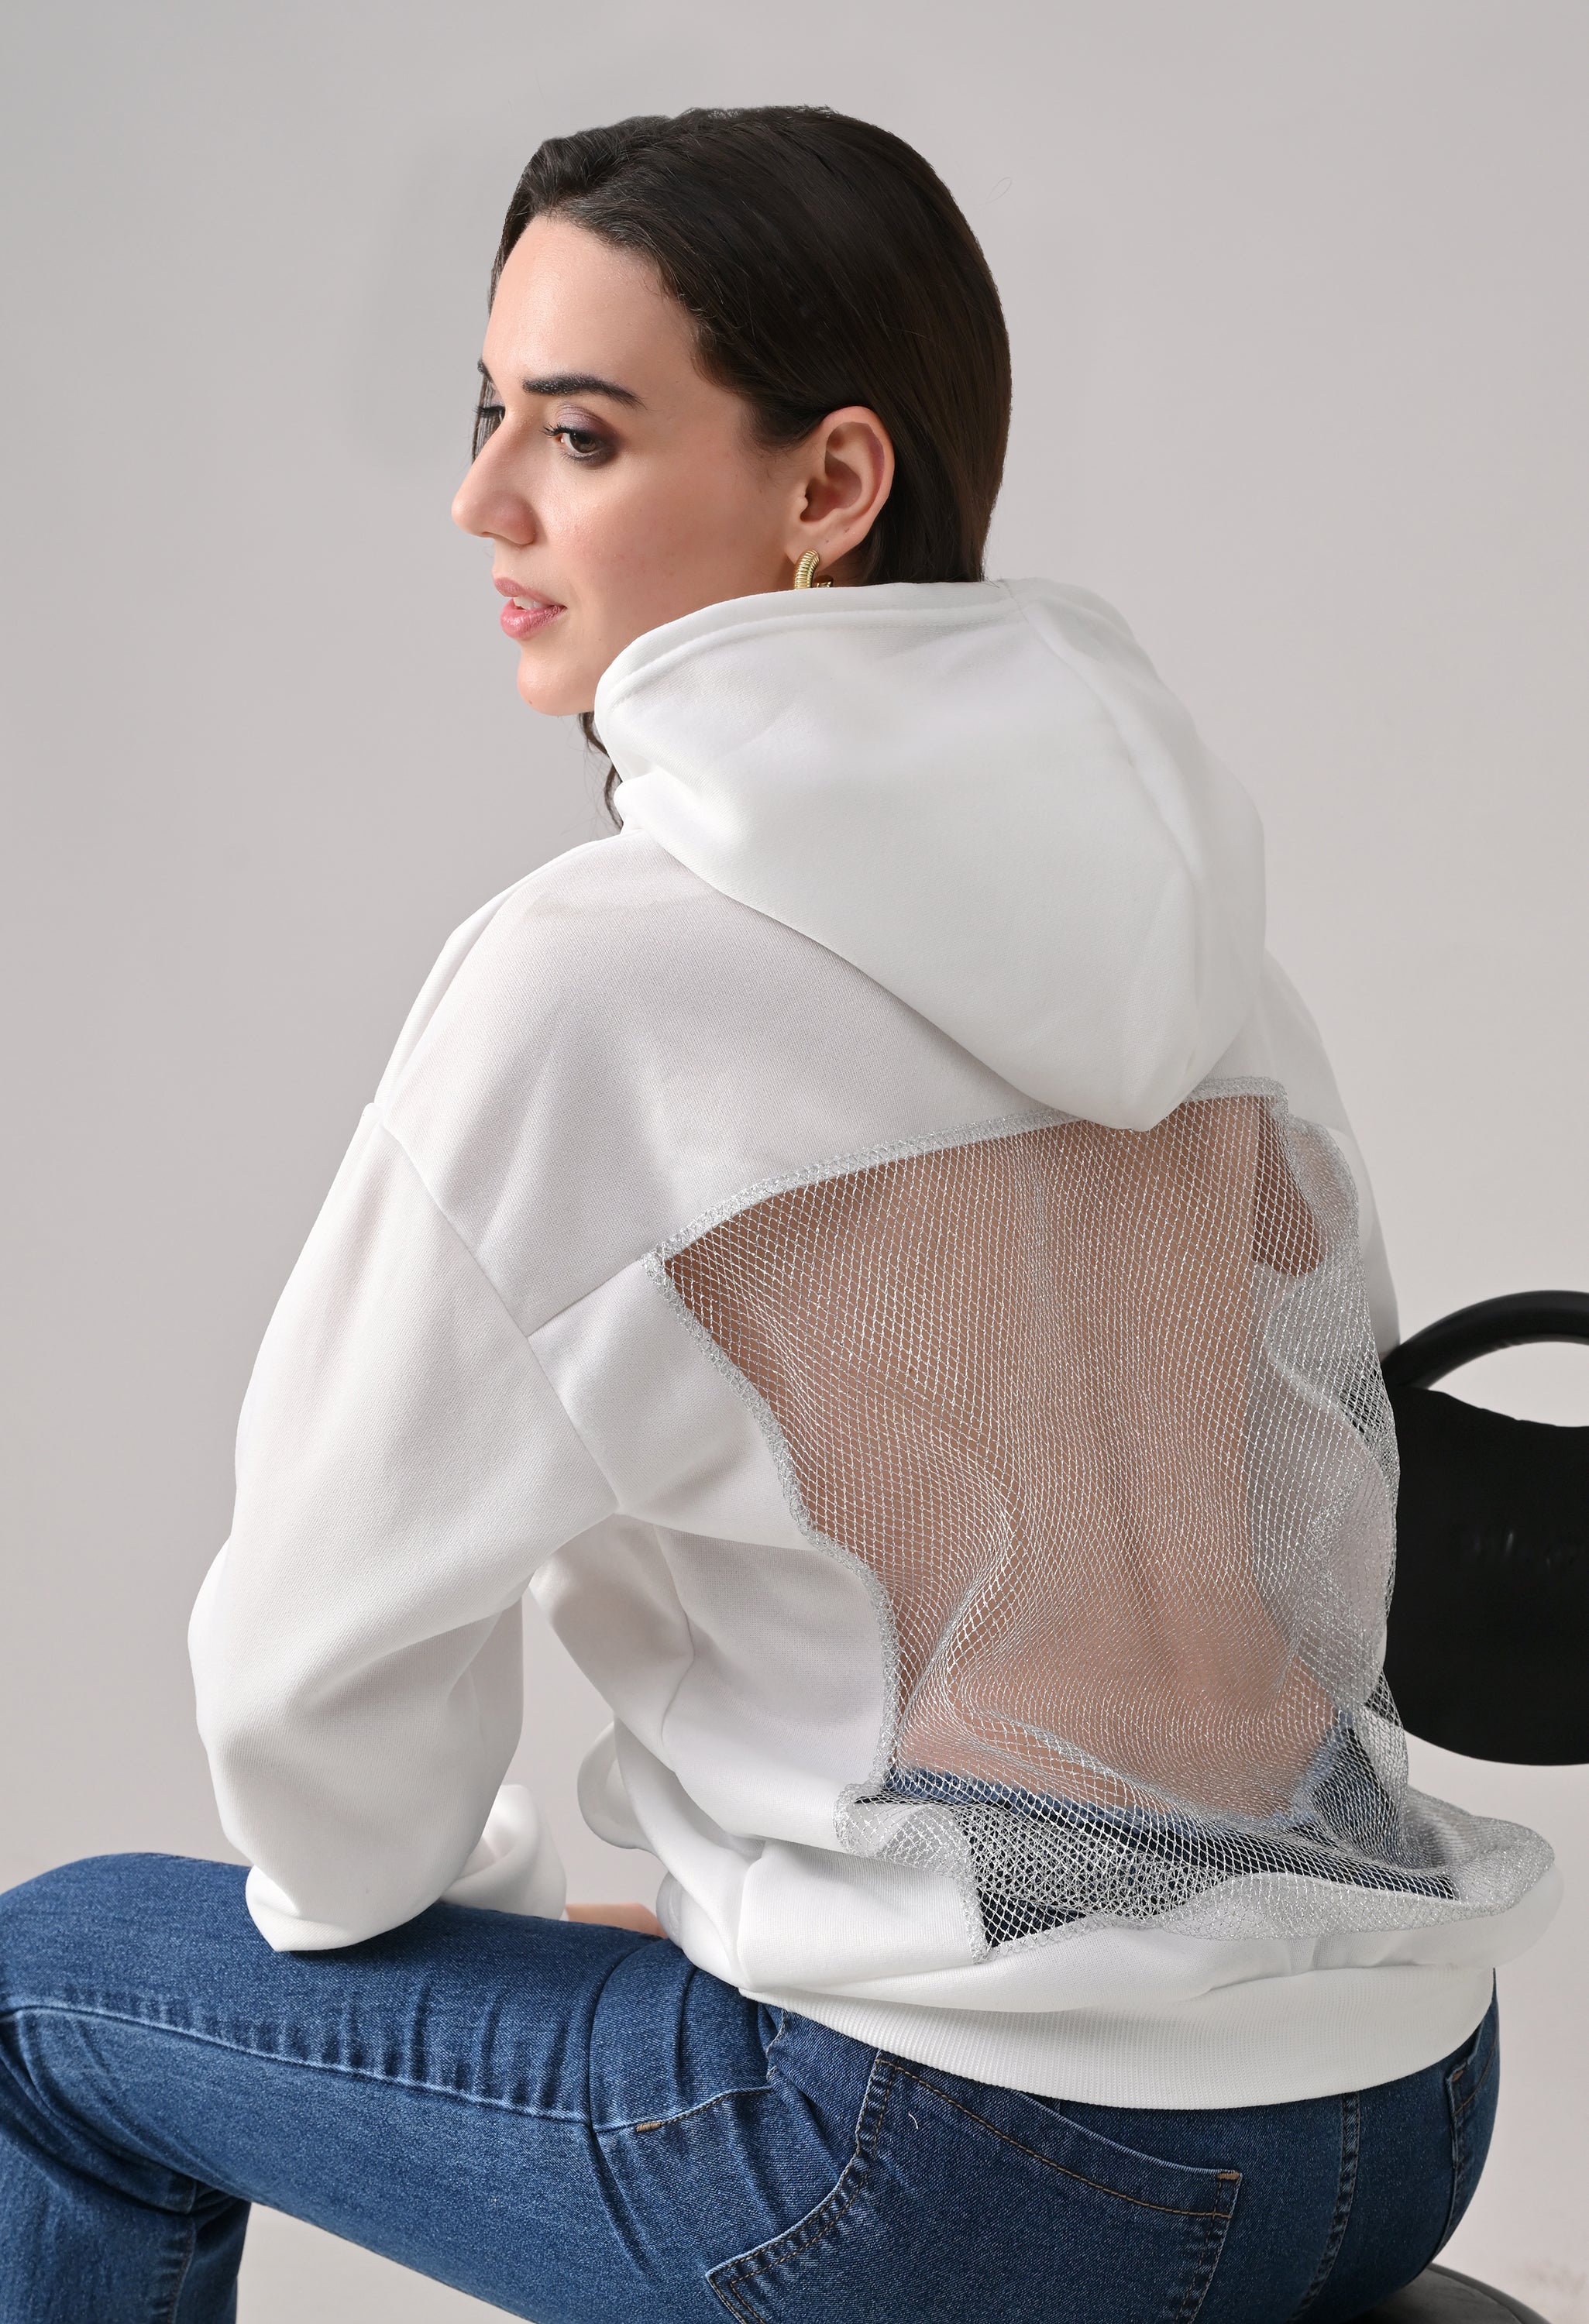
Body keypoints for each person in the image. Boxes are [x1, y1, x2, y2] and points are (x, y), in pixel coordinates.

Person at [0, 105, 1558, 2324]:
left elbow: (316, 1673)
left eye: (580, 434)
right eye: (483, 415)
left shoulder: (588, 978)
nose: (482, 500)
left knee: (44, 1988)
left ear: (830, 485)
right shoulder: (1214, 955)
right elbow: (1304, 1518)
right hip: (1399, 2101)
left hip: (966, 2172)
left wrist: (471, 1912)